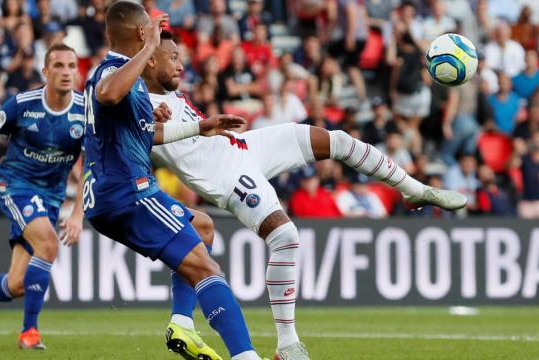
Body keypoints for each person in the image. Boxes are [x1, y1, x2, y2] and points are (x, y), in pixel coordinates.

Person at [144, 30, 468, 360]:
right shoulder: (138, 103)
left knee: (338, 140)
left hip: (245, 146)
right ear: (149, 60)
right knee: (285, 236)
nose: (181, 65)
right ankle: (287, 345)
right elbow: (132, 122)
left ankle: (414, 190)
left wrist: (154, 32)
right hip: (226, 175)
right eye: (173, 57)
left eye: (180, 56)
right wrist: (150, 113)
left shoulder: (165, 90)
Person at [82, 2, 262, 360]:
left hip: (109, 194)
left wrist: (200, 126)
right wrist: (150, 48)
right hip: (128, 191)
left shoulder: (124, 78)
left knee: (204, 228)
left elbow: (145, 134)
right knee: (206, 268)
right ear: (141, 34)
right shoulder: (110, 71)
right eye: (150, 32)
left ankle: (182, 322)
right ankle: (246, 357)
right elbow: (108, 93)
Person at [0, 43, 86, 350]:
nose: (66, 72)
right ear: (45, 72)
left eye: (71, 66)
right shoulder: (23, 104)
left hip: (51, 195)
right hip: (17, 186)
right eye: (59, 66)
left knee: (18, 284)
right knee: (49, 244)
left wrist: (78, 213)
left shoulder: (84, 110)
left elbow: (92, 164)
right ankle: (29, 333)